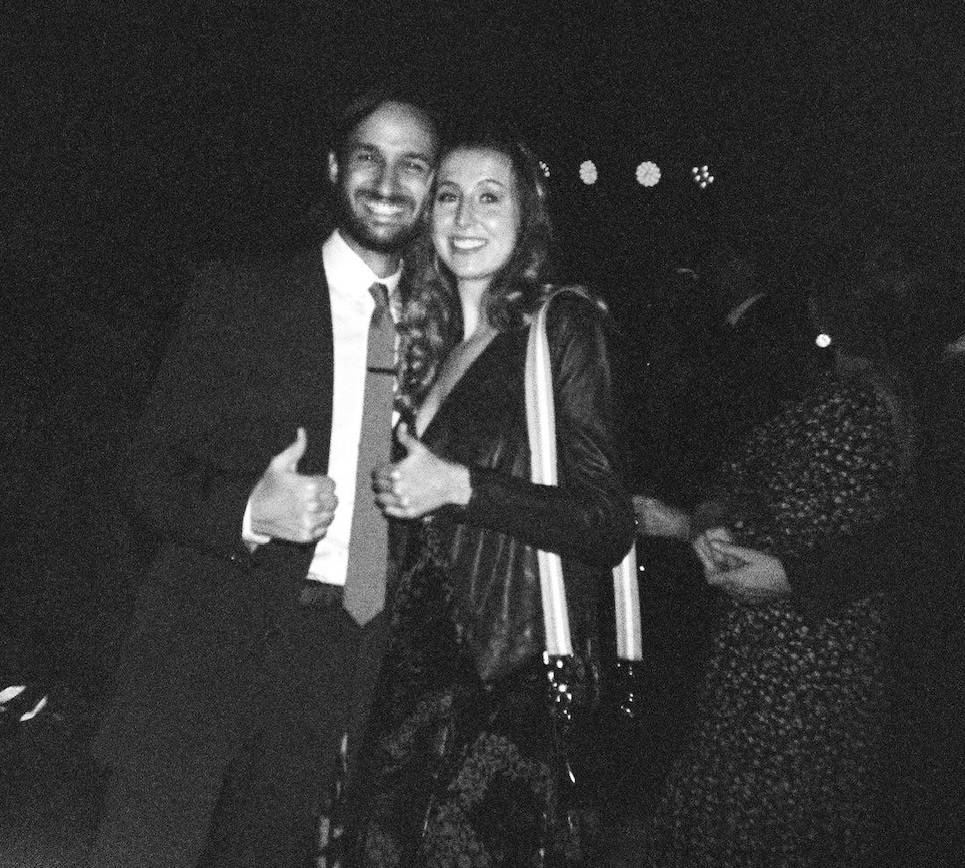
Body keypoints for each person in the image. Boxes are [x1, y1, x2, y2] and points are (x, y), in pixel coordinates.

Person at [88, 94, 439, 868]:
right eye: (368, 156)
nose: (387, 180)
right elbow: (143, 469)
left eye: (413, 163)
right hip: (208, 645)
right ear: (333, 168)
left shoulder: (441, 328)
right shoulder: (244, 294)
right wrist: (249, 507)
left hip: (341, 660)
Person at [344, 130, 634, 867]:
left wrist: (461, 486)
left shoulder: (559, 326)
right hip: (407, 685)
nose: (464, 216)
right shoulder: (424, 344)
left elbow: (605, 523)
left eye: (488, 197)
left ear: (526, 218)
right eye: (447, 196)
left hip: (503, 683)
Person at [643, 244, 910, 868]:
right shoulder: (873, 399)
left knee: (762, 824)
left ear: (827, 308)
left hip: (794, 660)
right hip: (820, 651)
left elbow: (783, 527)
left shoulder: (846, 411)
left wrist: (689, 527)